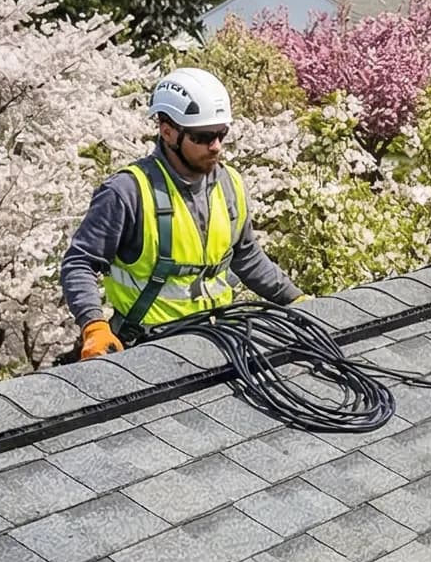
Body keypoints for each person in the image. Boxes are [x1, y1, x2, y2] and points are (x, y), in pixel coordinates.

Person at [61, 68, 300, 358]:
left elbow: (246, 255)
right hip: (150, 350)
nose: (216, 146)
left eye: (221, 134)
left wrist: (296, 299)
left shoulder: (230, 184)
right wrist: (94, 327)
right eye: (203, 136)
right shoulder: (128, 192)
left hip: (219, 342)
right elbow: (79, 263)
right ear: (168, 132)